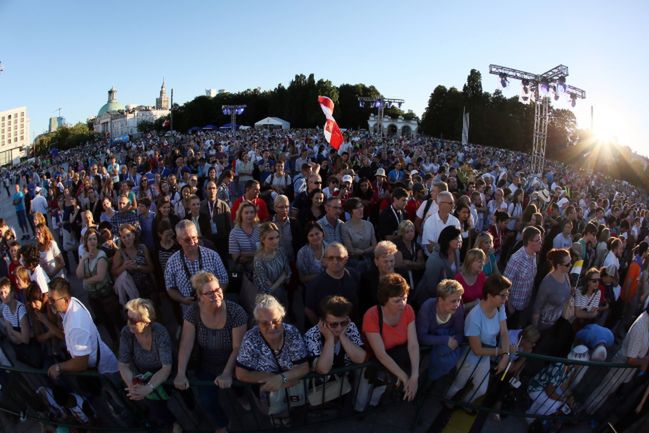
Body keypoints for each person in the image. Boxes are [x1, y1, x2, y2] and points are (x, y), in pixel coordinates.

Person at [174, 272, 248, 433]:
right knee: (206, 401)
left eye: (217, 290)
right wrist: (180, 373)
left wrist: (227, 373)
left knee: (239, 386)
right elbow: (186, 343)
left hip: (233, 363)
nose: (216, 295)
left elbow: (238, 347)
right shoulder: (192, 313)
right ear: (200, 297)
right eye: (209, 293)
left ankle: (241, 396)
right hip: (207, 365)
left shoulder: (236, 312)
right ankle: (222, 424)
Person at [236, 294, 309, 422]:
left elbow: (304, 367)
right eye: (264, 323)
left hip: (293, 392)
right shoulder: (251, 338)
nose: (271, 327)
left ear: (282, 317)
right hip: (268, 394)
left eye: (275, 321)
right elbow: (241, 373)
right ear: (257, 323)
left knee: (293, 413)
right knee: (274, 416)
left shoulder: (292, 332)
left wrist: (280, 378)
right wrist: (276, 380)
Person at [445, 274, 512, 405]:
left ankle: (464, 403)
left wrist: (505, 356)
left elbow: (504, 332)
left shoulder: (500, 306)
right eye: (503, 295)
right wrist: (503, 352)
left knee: (481, 390)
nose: (506, 298)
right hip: (469, 359)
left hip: (486, 356)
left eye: (507, 294)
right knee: (458, 385)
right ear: (490, 295)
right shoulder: (474, 317)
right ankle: (447, 401)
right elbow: (477, 350)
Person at [118, 298, 177, 431]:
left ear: (147, 321)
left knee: (185, 400)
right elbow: (123, 364)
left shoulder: (159, 332)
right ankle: (174, 425)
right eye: (127, 319)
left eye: (134, 321)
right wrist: (132, 386)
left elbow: (166, 367)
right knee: (156, 409)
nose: (129, 324)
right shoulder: (126, 333)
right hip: (144, 375)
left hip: (168, 373)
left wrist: (148, 388)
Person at [46, 277, 119, 379]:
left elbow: (80, 364)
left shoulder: (76, 326)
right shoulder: (72, 303)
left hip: (104, 374)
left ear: (66, 300)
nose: (49, 303)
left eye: (52, 300)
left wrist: (58, 367)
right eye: (48, 298)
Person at [362, 273, 420, 401]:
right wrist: (405, 378)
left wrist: (414, 376)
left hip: (396, 359)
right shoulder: (372, 315)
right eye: (397, 301)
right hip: (374, 364)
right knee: (363, 398)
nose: (403, 304)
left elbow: (413, 344)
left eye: (404, 298)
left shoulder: (408, 310)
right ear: (385, 300)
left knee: (381, 397)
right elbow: (380, 354)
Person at [165, 220, 229, 317]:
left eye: (194, 238)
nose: (192, 242)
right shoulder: (172, 262)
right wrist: (182, 299)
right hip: (189, 312)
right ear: (178, 240)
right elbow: (170, 288)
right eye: (187, 240)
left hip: (214, 309)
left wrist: (214, 295)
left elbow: (224, 280)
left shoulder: (212, 255)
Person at [76, 227, 123, 343]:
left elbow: (100, 276)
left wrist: (86, 281)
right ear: (86, 242)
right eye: (90, 239)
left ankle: (126, 341)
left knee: (117, 319)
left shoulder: (101, 254)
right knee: (105, 321)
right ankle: (115, 342)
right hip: (93, 296)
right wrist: (82, 260)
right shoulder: (85, 256)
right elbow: (78, 274)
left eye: (94, 239)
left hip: (106, 293)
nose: (92, 242)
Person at [416, 279, 465, 380]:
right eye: (453, 301)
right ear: (440, 299)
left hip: (445, 350)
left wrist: (451, 342)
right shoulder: (428, 307)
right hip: (426, 350)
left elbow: (460, 334)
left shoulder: (458, 309)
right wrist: (445, 340)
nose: (457, 304)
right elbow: (421, 337)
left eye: (459, 300)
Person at [526, 345, 590, 421]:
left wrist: (570, 396)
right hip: (535, 388)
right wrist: (564, 400)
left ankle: (530, 414)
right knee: (557, 405)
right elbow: (549, 391)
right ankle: (535, 418)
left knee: (560, 397)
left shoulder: (571, 367)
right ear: (576, 362)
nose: (582, 366)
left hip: (544, 387)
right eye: (582, 364)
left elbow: (564, 385)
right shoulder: (559, 367)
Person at [304, 295, 366, 374]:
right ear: (323, 322)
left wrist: (342, 337)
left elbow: (361, 359)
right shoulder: (311, 335)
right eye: (334, 324)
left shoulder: (349, 326)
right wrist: (329, 340)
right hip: (324, 385)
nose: (339, 328)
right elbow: (323, 369)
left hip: (346, 382)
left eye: (343, 323)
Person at [305, 242, 360, 324]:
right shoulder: (315, 284)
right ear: (324, 260)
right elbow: (309, 310)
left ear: (346, 259)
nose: (335, 262)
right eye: (331, 258)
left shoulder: (354, 276)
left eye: (339, 258)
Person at [414, 226, 462, 308]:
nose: (459, 240)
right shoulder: (434, 260)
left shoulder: (456, 251)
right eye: (456, 239)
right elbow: (432, 287)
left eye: (459, 238)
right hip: (430, 300)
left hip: (449, 297)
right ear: (447, 240)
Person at [504, 226, 542, 328]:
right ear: (529, 242)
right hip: (513, 306)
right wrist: (509, 305)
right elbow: (505, 284)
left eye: (540, 239)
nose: (541, 242)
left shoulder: (533, 255)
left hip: (525, 302)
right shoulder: (516, 259)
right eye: (538, 240)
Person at [251, 222, 291, 311]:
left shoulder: (281, 251)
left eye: (277, 237)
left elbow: (288, 272)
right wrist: (282, 277)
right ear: (262, 239)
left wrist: (282, 277)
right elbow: (266, 290)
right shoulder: (259, 260)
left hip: (283, 293)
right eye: (271, 238)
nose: (275, 241)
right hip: (268, 301)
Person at [532, 249, 573, 332]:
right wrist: (534, 330)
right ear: (558, 266)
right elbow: (537, 309)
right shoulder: (547, 283)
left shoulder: (565, 274)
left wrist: (571, 291)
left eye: (571, 262)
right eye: (567, 264)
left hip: (556, 322)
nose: (571, 265)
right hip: (543, 325)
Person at [112, 223, 156, 300]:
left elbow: (151, 268)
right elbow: (113, 272)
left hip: (149, 287)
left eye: (128, 235)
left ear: (134, 235)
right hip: (133, 292)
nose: (126, 239)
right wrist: (124, 267)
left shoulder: (142, 247)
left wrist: (137, 267)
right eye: (123, 237)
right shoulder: (120, 253)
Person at [341, 197, 377, 272]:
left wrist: (363, 251)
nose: (361, 210)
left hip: (370, 259)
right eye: (357, 208)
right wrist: (367, 250)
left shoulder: (369, 224)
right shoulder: (345, 227)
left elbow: (374, 245)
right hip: (354, 263)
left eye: (361, 207)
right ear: (350, 211)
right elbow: (351, 250)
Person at [199, 180, 233, 260]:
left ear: (217, 190)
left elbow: (229, 225)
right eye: (209, 188)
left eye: (214, 188)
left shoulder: (224, 205)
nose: (211, 190)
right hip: (207, 241)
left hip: (222, 241)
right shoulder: (201, 205)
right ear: (206, 190)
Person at [421, 191, 461, 255]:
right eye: (450, 203)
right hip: (436, 260)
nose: (453, 205)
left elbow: (459, 243)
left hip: (452, 258)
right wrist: (450, 246)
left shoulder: (456, 221)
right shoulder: (430, 222)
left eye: (453, 202)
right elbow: (430, 248)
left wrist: (438, 246)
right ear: (440, 204)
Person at [394, 220, 425, 290]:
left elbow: (422, 264)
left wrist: (409, 263)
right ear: (402, 233)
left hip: (416, 278)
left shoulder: (417, 246)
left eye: (412, 231)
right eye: (407, 232)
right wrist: (416, 264)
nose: (410, 234)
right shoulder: (397, 246)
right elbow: (400, 265)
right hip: (401, 279)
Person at [573, 267, 602, 332]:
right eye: (594, 281)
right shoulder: (579, 291)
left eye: (599, 280)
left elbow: (594, 311)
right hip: (574, 324)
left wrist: (583, 313)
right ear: (588, 281)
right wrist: (591, 314)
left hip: (585, 326)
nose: (597, 283)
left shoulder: (598, 292)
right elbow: (577, 313)